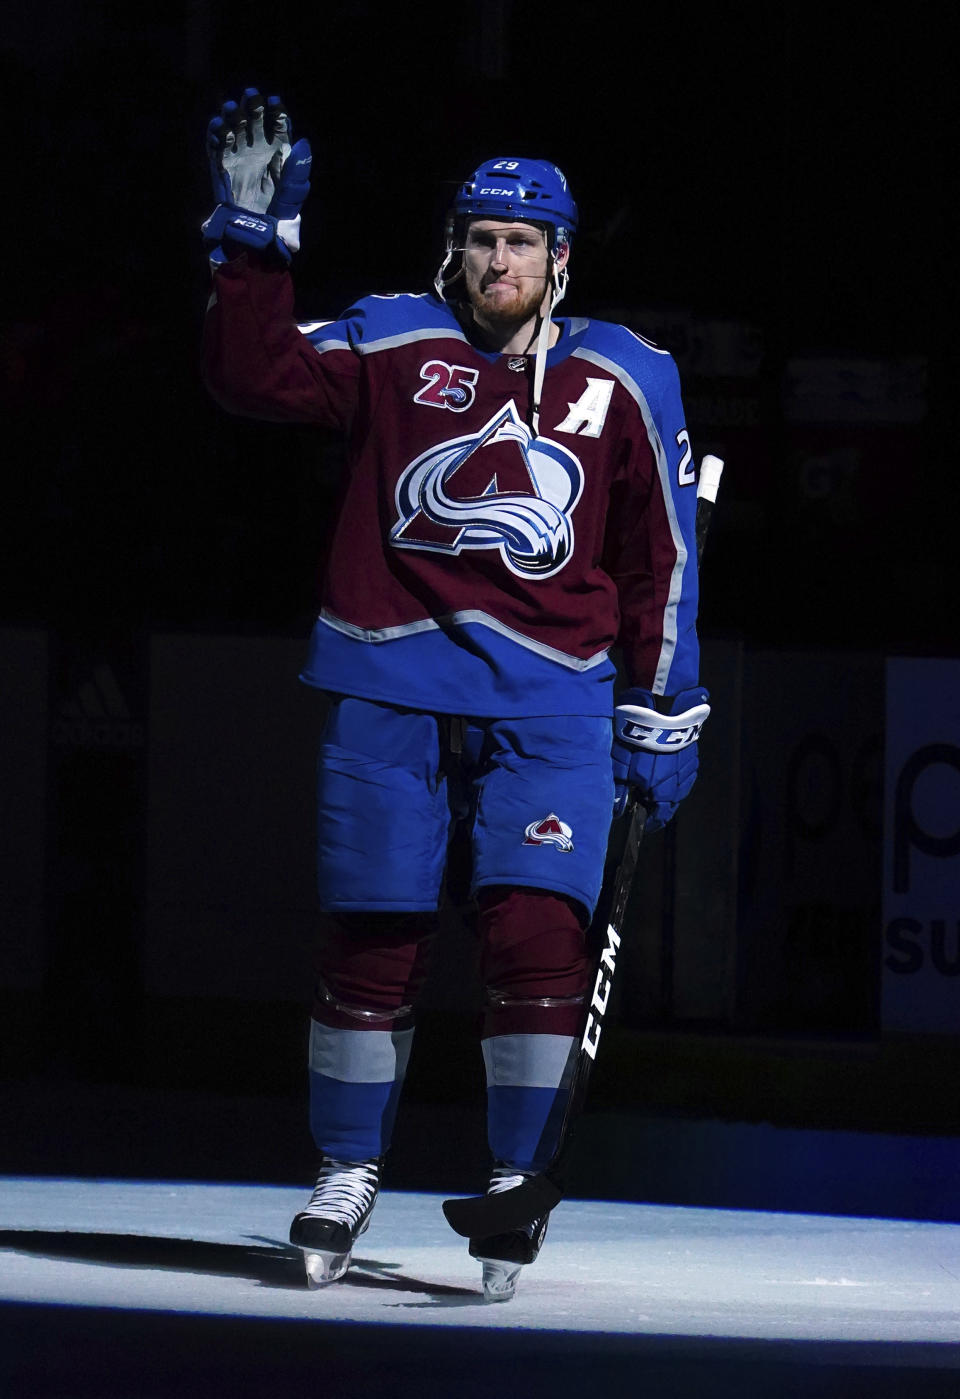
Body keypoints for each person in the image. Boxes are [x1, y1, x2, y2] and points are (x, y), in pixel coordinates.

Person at [201, 89, 709, 1300]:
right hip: (390, 689)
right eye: (481, 236)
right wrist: (246, 245)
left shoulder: (627, 376)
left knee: (539, 940)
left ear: (561, 257)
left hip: (557, 708)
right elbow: (251, 377)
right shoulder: (391, 339)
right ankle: (345, 1169)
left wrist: (666, 699)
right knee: (370, 939)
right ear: (456, 245)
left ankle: (517, 1181)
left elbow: (666, 553)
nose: (498, 258)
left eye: (522, 241)